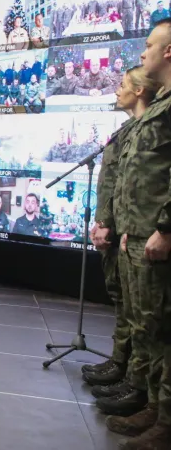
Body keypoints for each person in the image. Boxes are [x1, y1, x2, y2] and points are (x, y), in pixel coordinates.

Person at [104, 19, 171, 447]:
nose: (142, 52)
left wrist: (166, 227)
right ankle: (153, 405)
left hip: (159, 236)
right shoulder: (162, 104)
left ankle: (164, 422)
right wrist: (127, 228)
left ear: (168, 51)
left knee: (161, 330)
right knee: (149, 326)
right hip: (141, 234)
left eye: (148, 45)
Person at [89, 66, 161, 422]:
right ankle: (125, 369)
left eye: (122, 85)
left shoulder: (153, 123)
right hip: (126, 228)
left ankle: (139, 388)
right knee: (127, 306)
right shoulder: (129, 130)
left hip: (142, 232)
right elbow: (115, 184)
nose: (117, 91)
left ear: (140, 90)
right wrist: (105, 220)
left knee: (146, 319)